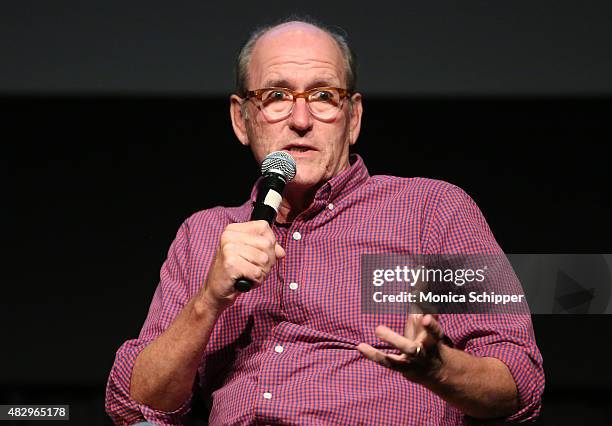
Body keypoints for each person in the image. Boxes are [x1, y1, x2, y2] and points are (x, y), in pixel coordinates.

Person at [106, 18, 544, 425]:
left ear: (353, 118)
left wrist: (439, 369)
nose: (301, 120)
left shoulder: (430, 211)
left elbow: (517, 380)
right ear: (242, 119)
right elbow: (135, 405)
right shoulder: (205, 235)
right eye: (276, 97)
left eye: (322, 96)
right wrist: (208, 301)